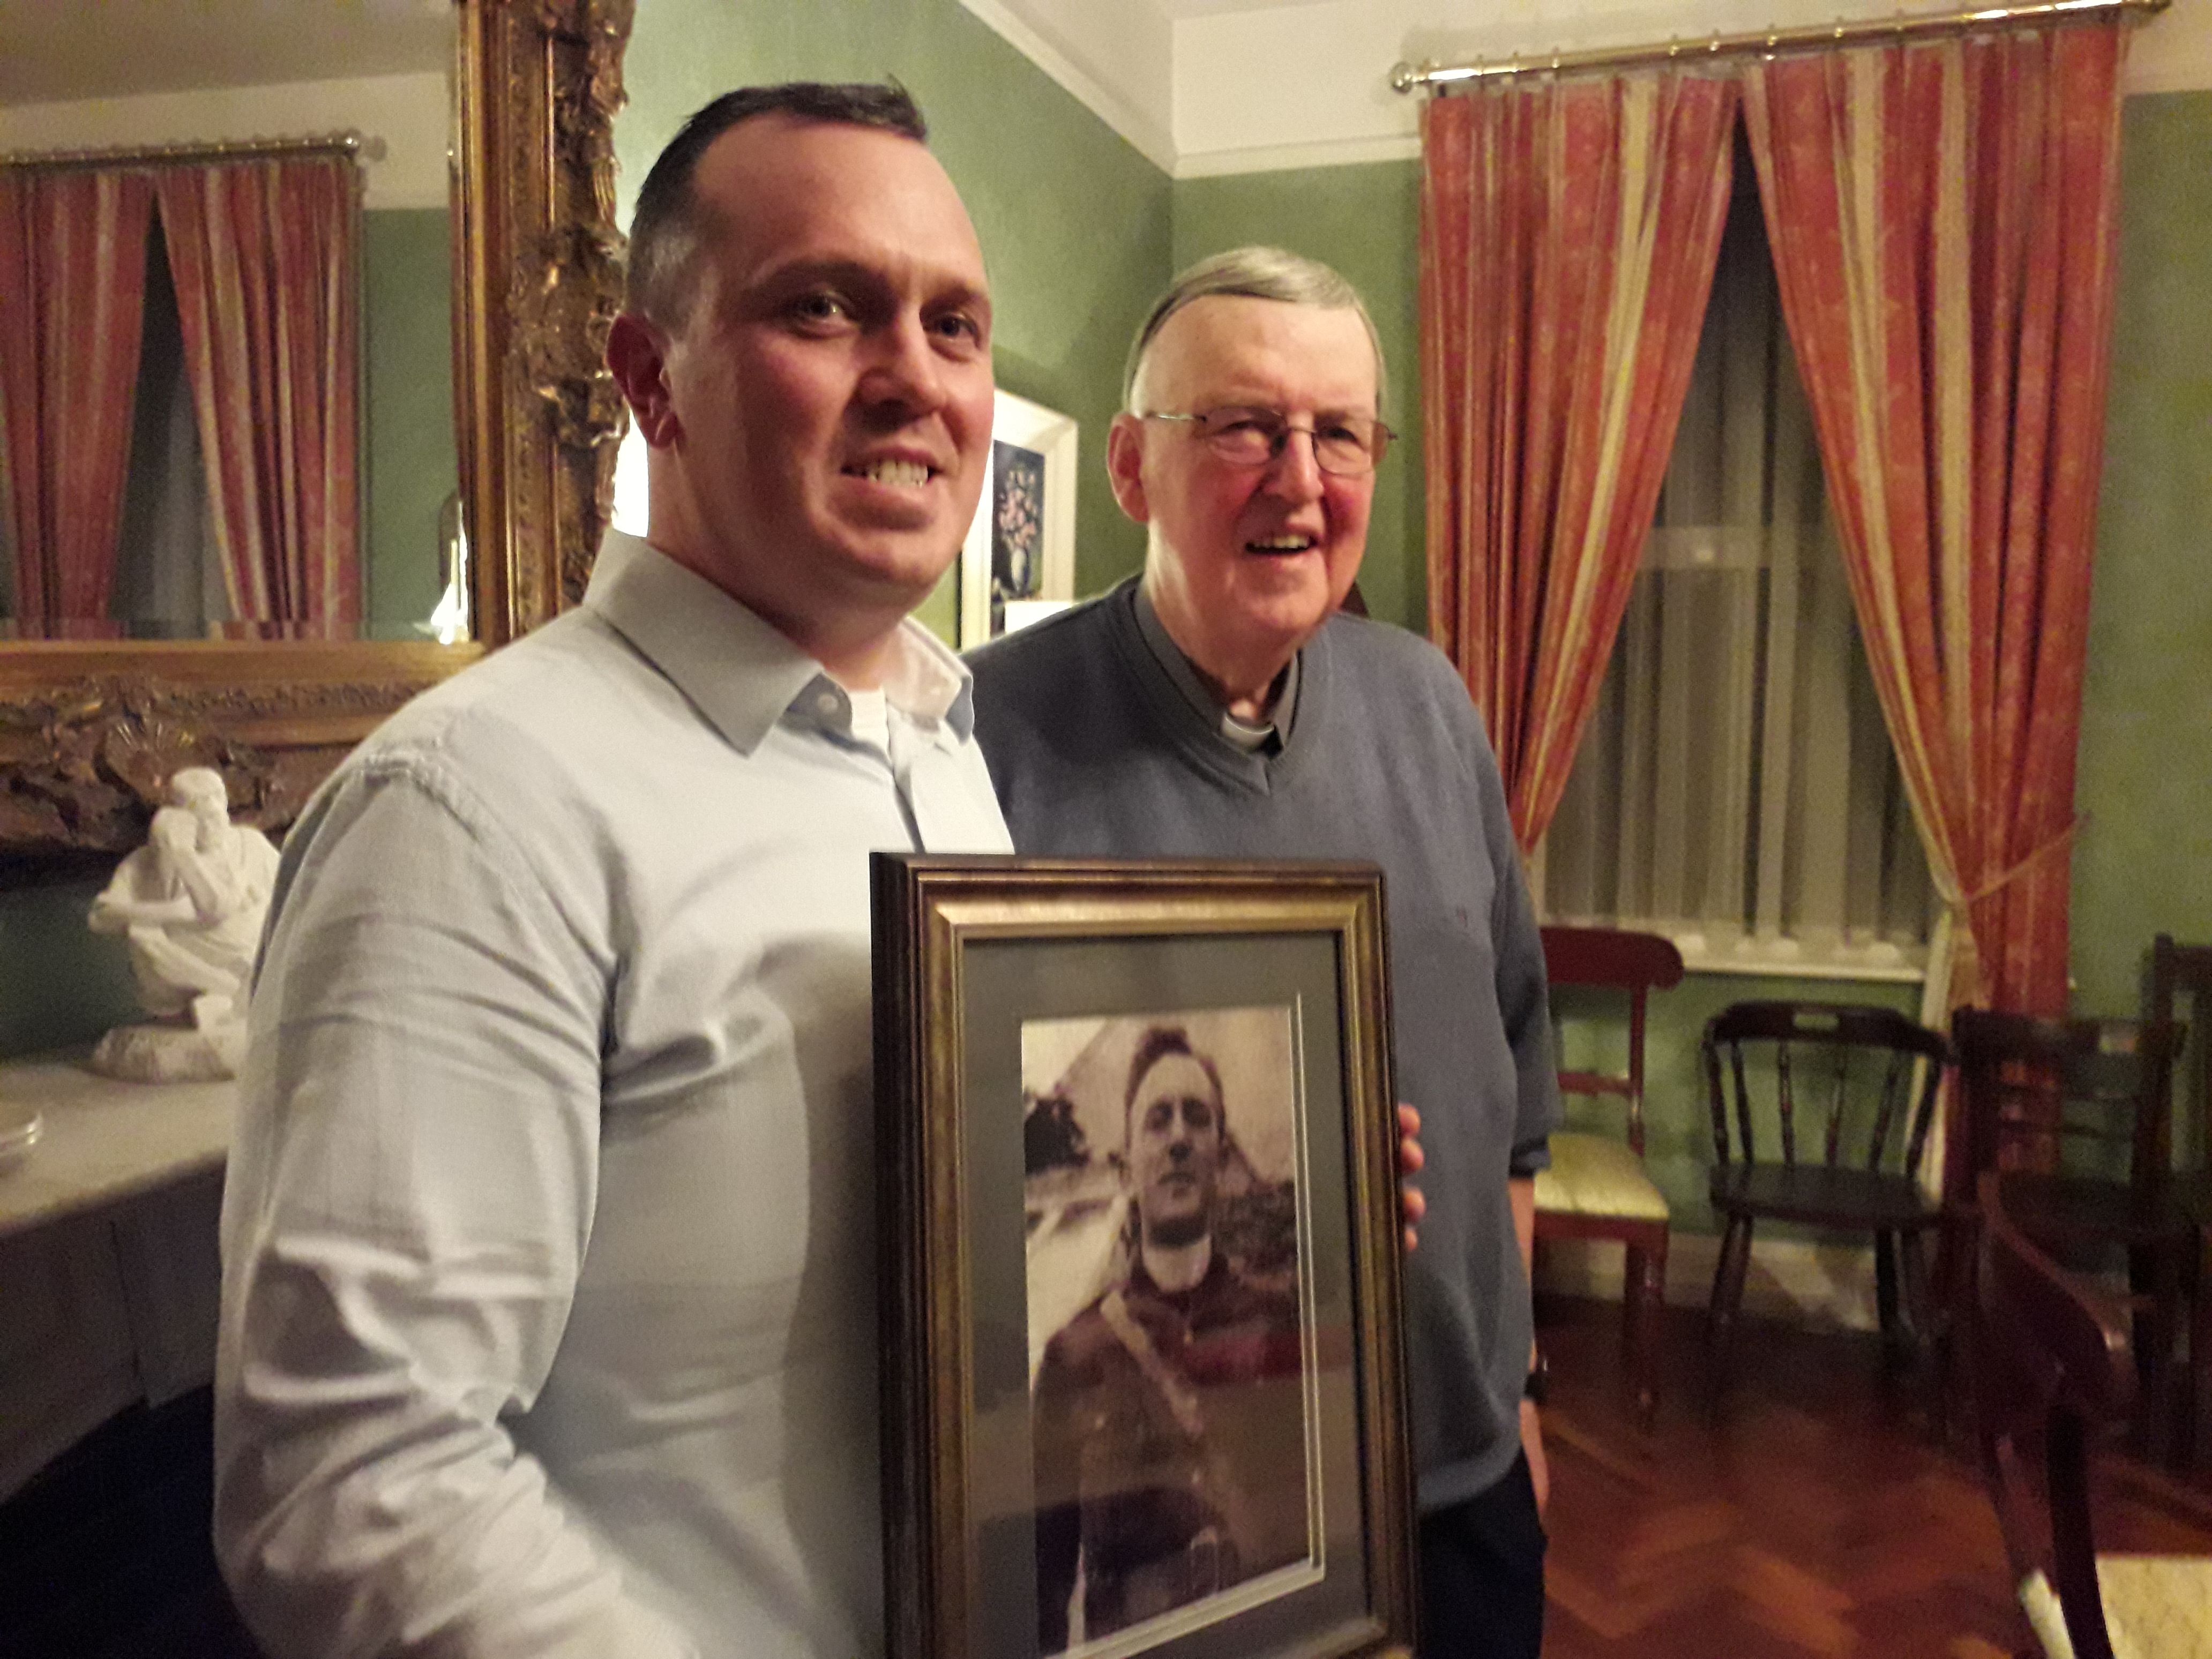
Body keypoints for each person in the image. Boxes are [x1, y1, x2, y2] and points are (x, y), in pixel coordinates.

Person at [213, 83, 1011, 1658]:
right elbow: (350, 1487)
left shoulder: (944, 753)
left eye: (955, 325)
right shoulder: (474, 809)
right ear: (652, 383)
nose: (911, 376)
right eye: (824, 308)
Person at [970, 247, 1560, 1658]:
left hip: (1457, 1486)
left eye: (1340, 432)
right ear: (1128, 466)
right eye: (1244, 426)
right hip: (1174, 1531)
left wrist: (1516, 1388)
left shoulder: (1431, 702)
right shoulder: (981, 738)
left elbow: (1516, 1084)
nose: (1301, 476)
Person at [1030, 1025, 1307, 1651]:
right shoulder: (1073, 1358)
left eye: (1197, 1118)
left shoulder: (1277, 1326)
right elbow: (1039, 1597)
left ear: (1219, 1154)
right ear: (1128, 1169)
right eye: (1158, 1120)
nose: (1179, 1136)